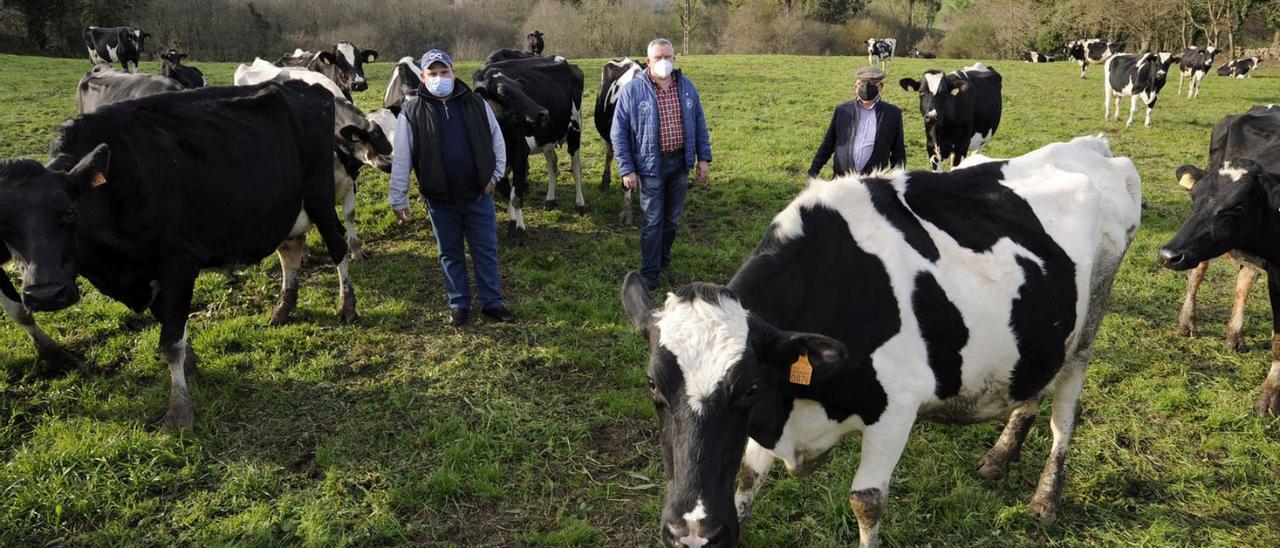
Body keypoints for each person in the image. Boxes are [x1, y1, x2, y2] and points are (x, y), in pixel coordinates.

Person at [388, 49, 517, 326]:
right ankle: (458, 303)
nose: (439, 78)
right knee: (449, 252)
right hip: (439, 199)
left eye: (443, 72)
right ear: (423, 77)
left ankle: (492, 303)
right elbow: (402, 157)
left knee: (485, 249)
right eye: (432, 74)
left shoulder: (475, 103)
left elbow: (497, 142)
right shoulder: (411, 112)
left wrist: (493, 177)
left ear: (453, 72)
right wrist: (398, 197)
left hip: (478, 194)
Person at [612, 38, 712, 291]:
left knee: (672, 220)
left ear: (674, 59)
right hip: (649, 167)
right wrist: (627, 169)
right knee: (653, 221)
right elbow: (618, 133)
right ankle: (649, 273)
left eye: (668, 56)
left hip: (680, 163)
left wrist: (703, 158)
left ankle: (663, 262)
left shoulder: (687, 87)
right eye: (658, 57)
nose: (664, 62)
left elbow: (699, 124)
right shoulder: (633, 91)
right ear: (648, 61)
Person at [809, 66, 906, 178]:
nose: (866, 88)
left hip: (874, 184)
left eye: (871, 84)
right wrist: (813, 172)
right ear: (855, 87)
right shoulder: (843, 110)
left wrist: (899, 183)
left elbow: (898, 152)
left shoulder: (892, 114)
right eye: (862, 84)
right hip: (842, 181)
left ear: (881, 87)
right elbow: (828, 144)